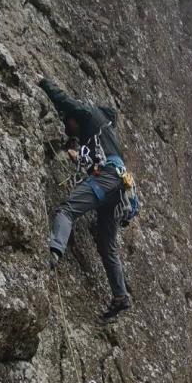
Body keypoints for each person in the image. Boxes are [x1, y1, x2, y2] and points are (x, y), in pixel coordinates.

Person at [38, 76, 131, 320]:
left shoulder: (90, 114)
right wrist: (78, 153)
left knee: (67, 210)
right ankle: (120, 295)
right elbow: (94, 157)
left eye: (70, 125)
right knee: (106, 246)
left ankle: (53, 254)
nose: (71, 130)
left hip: (108, 179)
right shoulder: (104, 133)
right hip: (119, 186)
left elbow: (67, 102)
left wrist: (44, 83)